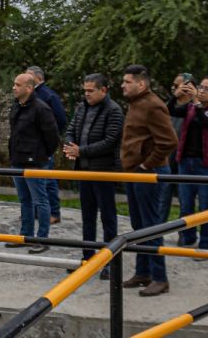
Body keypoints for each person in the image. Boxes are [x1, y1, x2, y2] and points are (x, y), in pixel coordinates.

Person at [118, 65, 178, 297]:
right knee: (138, 226)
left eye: (127, 81)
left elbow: (169, 141)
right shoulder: (136, 104)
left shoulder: (153, 105)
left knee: (151, 227)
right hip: (134, 172)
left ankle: (160, 278)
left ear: (141, 84)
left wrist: (147, 165)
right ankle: (143, 272)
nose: (123, 85)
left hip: (148, 173)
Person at [62, 74, 123, 278]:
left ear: (103, 90)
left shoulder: (113, 110)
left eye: (90, 91)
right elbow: (70, 130)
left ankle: (110, 262)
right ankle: (87, 259)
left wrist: (82, 151)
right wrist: (71, 147)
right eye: (85, 90)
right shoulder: (82, 108)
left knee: (108, 217)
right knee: (87, 217)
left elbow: (111, 140)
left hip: (103, 171)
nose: (86, 94)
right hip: (84, 170)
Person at [6, 73, 59, 253]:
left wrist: (43, 156)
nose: (14, 87)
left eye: (17, 85)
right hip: (17, 161)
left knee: (40, 201)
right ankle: (26, 236)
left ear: (29, 88)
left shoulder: (41, 108)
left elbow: (52, 137)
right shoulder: (16, 106)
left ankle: (42, 239)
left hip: (35, 163)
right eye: (14, 84)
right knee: (24, 200)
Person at [174, 75, 208, 252]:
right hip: (185, 161)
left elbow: (207, 122)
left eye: (207, 89)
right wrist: (176, 95)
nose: (202, 91)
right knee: (185, 203)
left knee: (205, 206)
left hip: (207, 164)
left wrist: (196, 102)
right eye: (200, 87)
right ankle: (188, 239)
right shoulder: (190, 107)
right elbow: (169, 111)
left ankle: (206, 244)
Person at [27, 66, 67, 224]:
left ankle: (54, 213)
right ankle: (36, 211)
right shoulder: (32, 95)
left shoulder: (47, 95)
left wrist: (49, 139)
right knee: (32, 178)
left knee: (48, 179)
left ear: (37, 77)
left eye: (28, 76)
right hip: (31, 146)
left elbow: (61, 120)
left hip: (43, 146)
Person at [160, 73, 195, 223]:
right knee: (162, 198)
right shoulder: (171, 107)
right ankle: (155, 234)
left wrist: (196, 98)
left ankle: (185, 237)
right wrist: (175, 96)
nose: (175, 89)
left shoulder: (195, 108)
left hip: (186, 159)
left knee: (185, 201)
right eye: (173, 86)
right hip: (167, 159)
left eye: (177, 86)